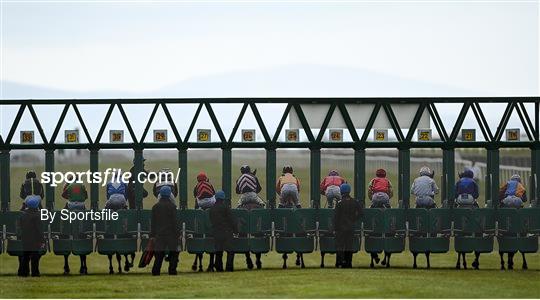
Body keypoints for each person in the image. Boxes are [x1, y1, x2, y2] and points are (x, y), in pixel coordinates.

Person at [150, 186, 180, 276]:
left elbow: (153, 223)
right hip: (171, 235)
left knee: (159, 254)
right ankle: (172, 270)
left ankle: (156, 271)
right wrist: (178, 233)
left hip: (159, 235)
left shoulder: (155, 207)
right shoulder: (172, 206)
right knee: (174, 253)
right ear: (169, 195)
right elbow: (175, 222)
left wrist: (152, 235)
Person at [334, 183, 361, 268]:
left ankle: (339, 262)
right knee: (349, 246)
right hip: (351, 227)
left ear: (341, 191)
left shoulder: (339, 203)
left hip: (341, 228)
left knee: (340, 245)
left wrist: (335, 228)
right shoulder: (354, 202)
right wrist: (354, 220)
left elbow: (336, 217)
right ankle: (348, 263)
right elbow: (361, 213)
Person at [209, 190, 238, 272]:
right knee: (230, 251)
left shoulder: (212, 209)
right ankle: (229, 268)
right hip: (227, 232)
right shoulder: (226, 208)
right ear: (223, 198)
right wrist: (236, 231)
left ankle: (219, 268)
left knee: (218, 251)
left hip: (216, 232)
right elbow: (232, 220)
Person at [19, 196, 44, 277]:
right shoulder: (37, 216)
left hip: (25, 238)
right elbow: (39, 230)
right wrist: (42, 240)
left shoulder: (23, 215)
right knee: (35, 257)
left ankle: (24, 273)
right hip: (35, 239)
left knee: (25, 256)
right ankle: (35, 273)